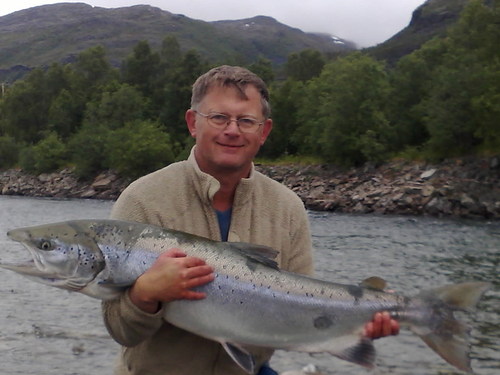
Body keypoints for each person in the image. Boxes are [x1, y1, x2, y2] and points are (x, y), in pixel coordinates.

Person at [102, 65, 399, 375]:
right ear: (193, 123)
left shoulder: (287, 208)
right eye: (218, 118)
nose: (232, 130)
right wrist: (145, 295)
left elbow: (303, 312)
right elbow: (121, 331)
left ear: (264, 131)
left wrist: (354, 325)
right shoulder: (142, 200)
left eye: (246, 121)